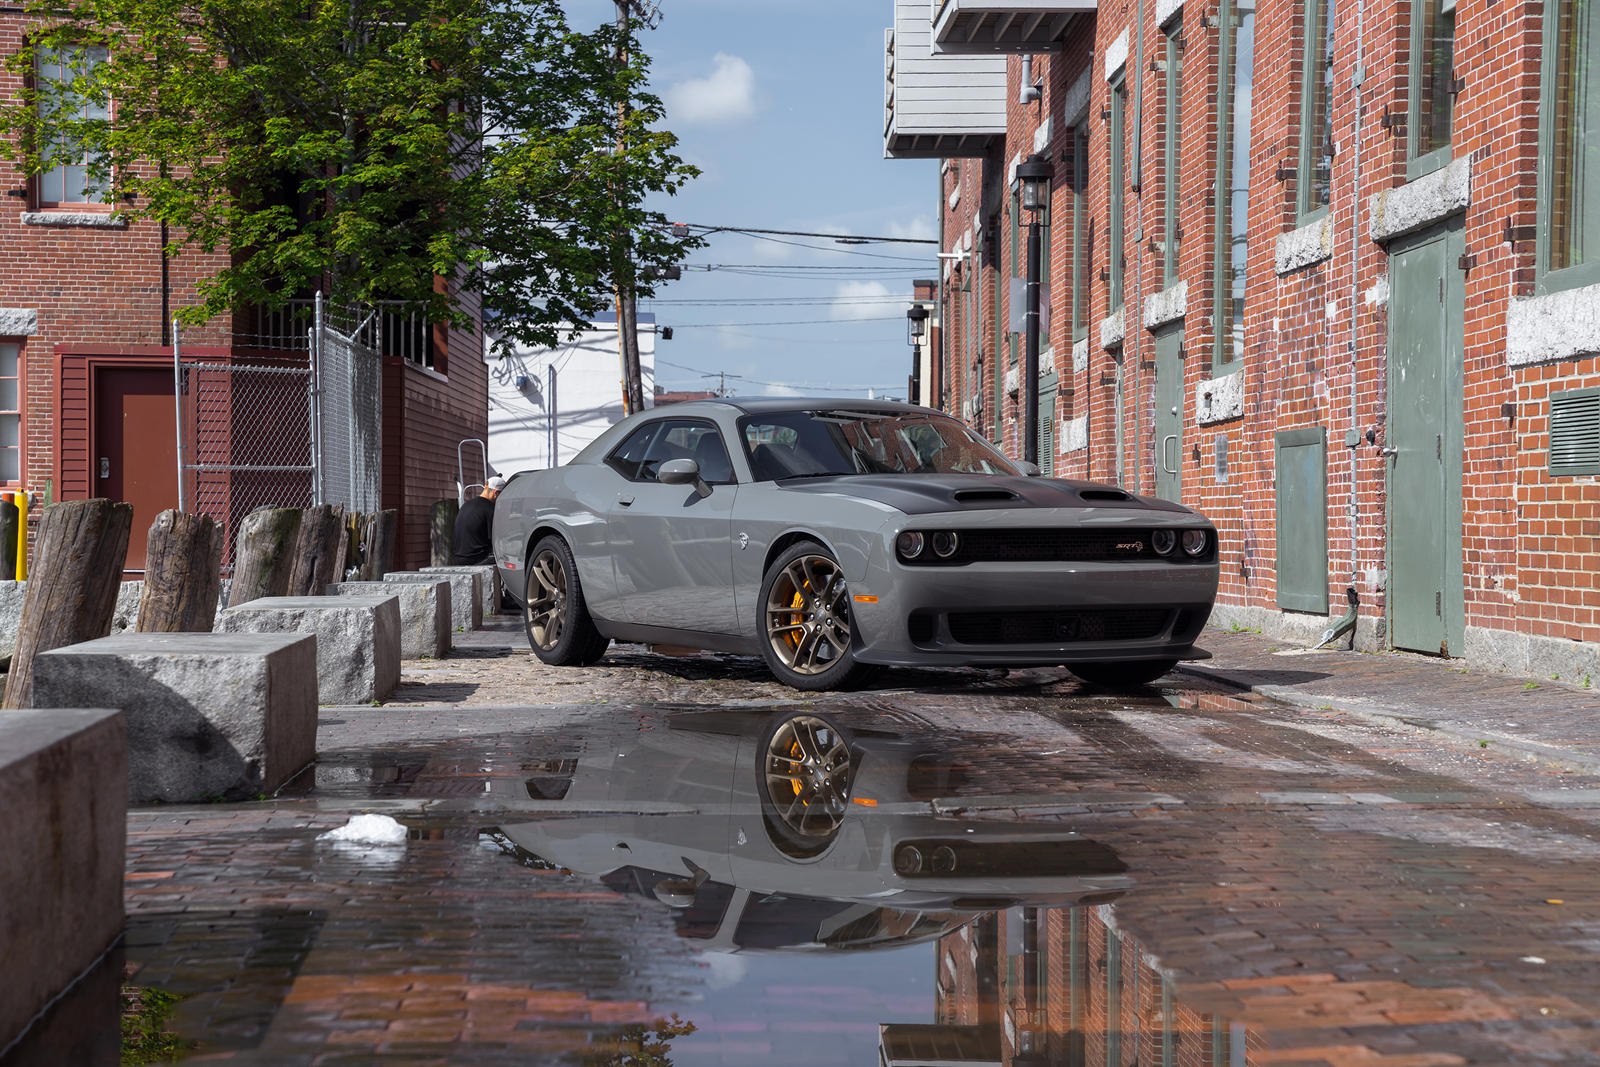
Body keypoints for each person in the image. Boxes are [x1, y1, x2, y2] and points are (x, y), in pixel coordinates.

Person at [453, 475, 504, 565]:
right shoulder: (490, 509)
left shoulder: (466, 505)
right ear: (496, 493)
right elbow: (496, 541)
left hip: (458, 558)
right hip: (477, 560)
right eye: (502, 495)